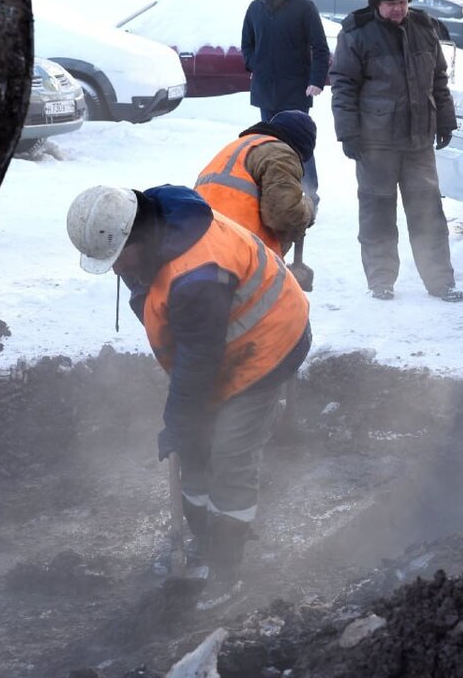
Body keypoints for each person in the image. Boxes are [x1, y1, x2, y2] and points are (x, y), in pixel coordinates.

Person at [65, 184, 311, 609]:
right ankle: (205, 538)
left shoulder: (197, 274)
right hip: (217, 341)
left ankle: (226, 571)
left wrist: (177, 423)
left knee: (230, 455)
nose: (116, 270)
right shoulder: (150, 230)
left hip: (268, 342)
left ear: (135, 239)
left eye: (118, 259)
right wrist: (186, 428)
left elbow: (199, 363)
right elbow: (188, 347)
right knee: (196, 446)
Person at [329, 0, 463, 303]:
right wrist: (348, 133)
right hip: (375, 143)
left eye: (403, 3)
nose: (398, 10)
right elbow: (343, 86)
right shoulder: (356, 33)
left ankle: (440, 281)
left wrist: (445, 121)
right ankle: (381, 280)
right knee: (377, 212)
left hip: (419, 141)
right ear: (377, 4)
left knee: (428, 212)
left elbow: (439, 80)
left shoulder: (424, 28)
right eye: (391, 4)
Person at [240, 0, 330, 210]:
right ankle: (275, 195)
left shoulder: (304, 7)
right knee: (269, 144)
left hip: (295, 89)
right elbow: (247, 44)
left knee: (299, 143)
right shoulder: (256, 8)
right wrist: (254, 63)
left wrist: (316, 81)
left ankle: (309, 195)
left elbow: (320, 48)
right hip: (266, 89)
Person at [194, 109, 316, 267]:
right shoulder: (281, 153)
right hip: (237, 252)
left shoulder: (241, 146)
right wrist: (308, 208)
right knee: (283, 291)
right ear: (300, 146)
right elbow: (285, 215)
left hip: (201, 244)